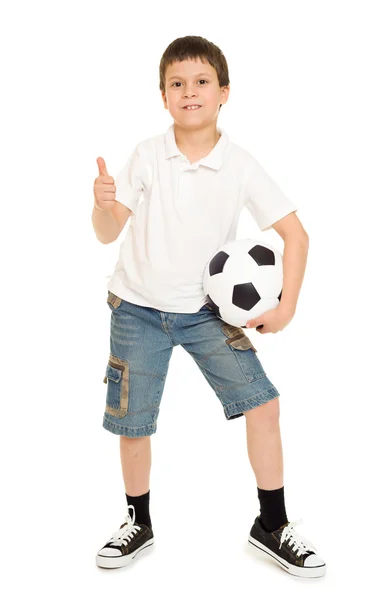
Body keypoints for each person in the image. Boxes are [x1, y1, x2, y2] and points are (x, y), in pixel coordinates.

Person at [92, 35, 326, 578]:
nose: (189, 92)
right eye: (177, 83)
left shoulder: (239, 164)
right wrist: (102, 205)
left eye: (201, 82)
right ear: (163, 95)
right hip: (137, 309)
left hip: (207, 314)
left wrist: (287, 307)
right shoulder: (148, 154)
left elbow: (297, 236)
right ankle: (137, 522)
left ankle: (271, 524)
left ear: (224, 93)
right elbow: (107, 233)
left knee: (263, 405)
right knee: (133, 424)